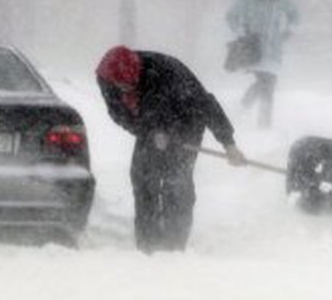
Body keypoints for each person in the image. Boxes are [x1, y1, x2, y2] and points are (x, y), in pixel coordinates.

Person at [96, 46, 246, 253]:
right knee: (143, 177)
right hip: (149, 127)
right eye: (122, 85)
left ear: (139, 74)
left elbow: (207, 105)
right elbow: (119, 114)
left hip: (186, 119)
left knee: (176, 181)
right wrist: (149, 132)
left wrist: (228, 144)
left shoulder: (168, 73)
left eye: (131, 85)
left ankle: (174, 244)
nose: (126, 88)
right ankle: (147, 244)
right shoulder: (106, 78)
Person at [226, 0, 299, 128]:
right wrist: (240, 32)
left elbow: (295, 14)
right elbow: (231, 15)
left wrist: (289, 30)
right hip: (253, 46)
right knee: (267, 82)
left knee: (268, 83)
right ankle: (262, 123)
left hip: (274, 48)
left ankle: (248, 108)